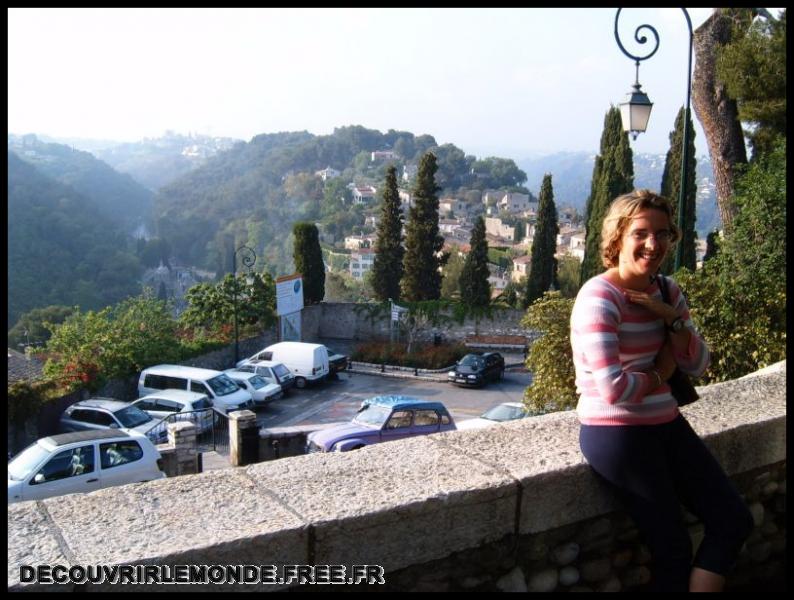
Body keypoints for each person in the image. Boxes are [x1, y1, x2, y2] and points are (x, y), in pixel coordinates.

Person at [570, 190, 753, 592]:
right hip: (618, 434)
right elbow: (613, 388)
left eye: (663, 233)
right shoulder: (600, 298)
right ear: (617, 238)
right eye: (641, 233)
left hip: (666, 424)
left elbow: (698, 364)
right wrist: (657, 374)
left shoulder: (668, 293)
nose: (653, 244)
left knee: (733, 520)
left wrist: (674, 323)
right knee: (672, 550)